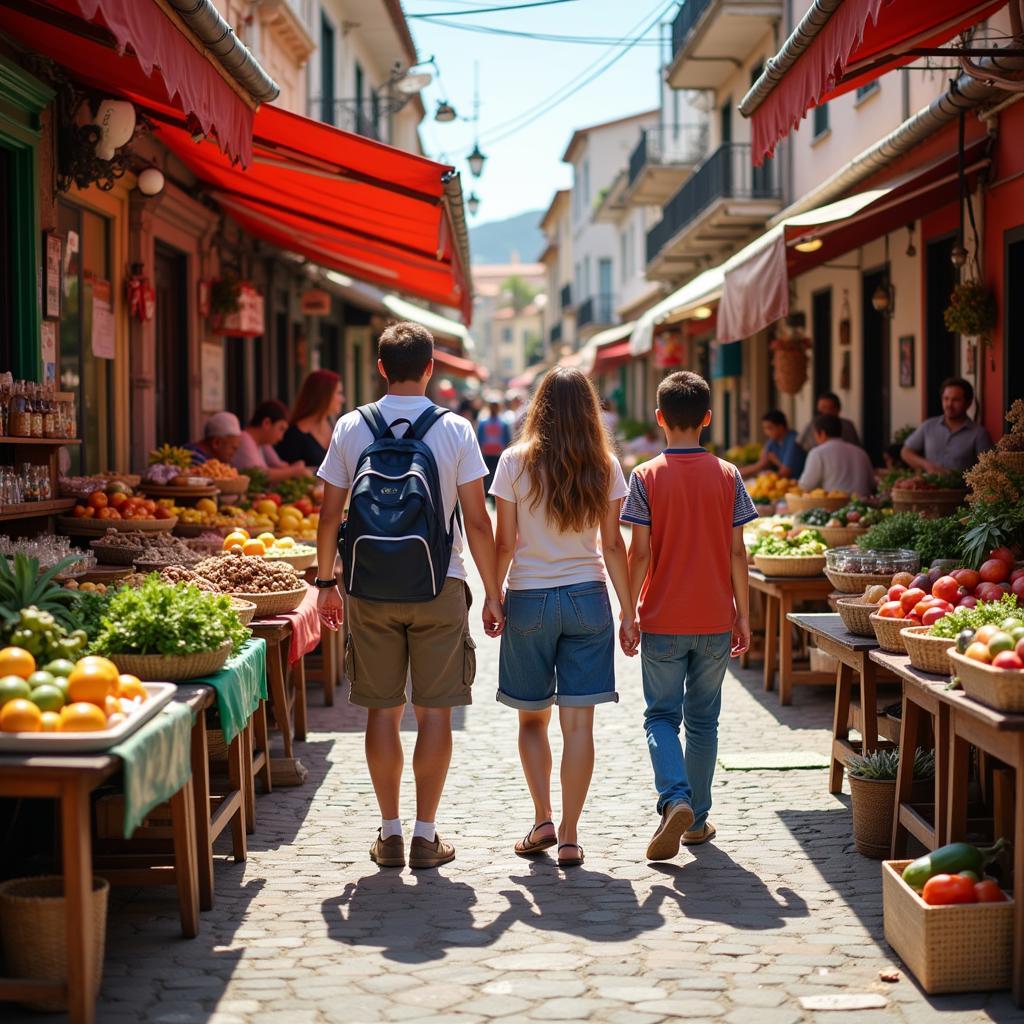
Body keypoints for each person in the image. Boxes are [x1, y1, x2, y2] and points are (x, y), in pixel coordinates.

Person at [314, 321, 504, 871]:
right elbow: (477, 520)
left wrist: (328, 584)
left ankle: (389, 833)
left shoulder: (352, 425)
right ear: (430, 368)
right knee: (435, 711)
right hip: (440, 582)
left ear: (379, 368)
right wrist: (493, 593)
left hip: (370, 586)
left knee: (381, 709)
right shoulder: (455, 430)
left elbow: (330, 515)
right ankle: (426, 835)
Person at [491, 368, 637, 869]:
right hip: (588, 599)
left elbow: (505, 542)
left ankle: (543, 819)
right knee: (579, 727)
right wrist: (629, 610)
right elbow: (614, 544)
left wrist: (492, 595)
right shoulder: (605, 464)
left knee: (532, 719)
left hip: (529, 599)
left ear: (540, 407)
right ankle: (571, 836)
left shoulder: (513, 462)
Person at [622, 371, 757, 859]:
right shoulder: (729, 475)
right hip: (715, 618)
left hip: (661, 618)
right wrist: (743, 613)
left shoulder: (644, 476)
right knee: (704, 723)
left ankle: (674, 798)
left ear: (659, 419)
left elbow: (639, 554)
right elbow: (738, 552)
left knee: (661, 716)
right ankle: (696, 821)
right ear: (707, 418)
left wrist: (628, 611)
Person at [900, 377, 993, 472]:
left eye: (955, 400)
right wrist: (926, 465)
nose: (949, 404)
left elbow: (988, 469)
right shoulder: (928, 426)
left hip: (961, 486)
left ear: (968, 403)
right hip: (929, 485)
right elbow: (906, 452)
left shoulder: (979, 434)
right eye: (946, 399)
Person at [276, 370, 344, 468]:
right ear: (323, 395)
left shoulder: (333, 426)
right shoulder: (293, 436)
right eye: (339, 393)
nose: (342, 399)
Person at [797, 414, 876, 497]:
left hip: (835, 507)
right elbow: (872, 485)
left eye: (815, 434)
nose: (815, 438)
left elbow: (805, 486)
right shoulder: (861, 452)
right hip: (863, 506)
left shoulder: (817, 453)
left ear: (822, 433)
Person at [233, 400, 311, 482]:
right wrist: (294, 471)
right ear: (266, 423)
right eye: (281, 429)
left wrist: (295, 468)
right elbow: (259, 475)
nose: (281, 437)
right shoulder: (244, 439)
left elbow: (279, 465)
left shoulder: (262, 443)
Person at [739, 410, 806, 480]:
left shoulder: (793, 441)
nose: (766, 432)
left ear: (780, 427)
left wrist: (775, 461)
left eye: (769, 428)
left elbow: (785, 472)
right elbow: (761, 463)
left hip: (795, 483)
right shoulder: (773, 440)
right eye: (765, 429)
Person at [476, 398, 512, 498]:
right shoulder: (485, 422)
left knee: (496, 475)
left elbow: (507, 439)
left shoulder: (503, 423)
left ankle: (493, 495)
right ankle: (488, 494)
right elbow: (479, 438)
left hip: (497, 454)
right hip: (488, 453)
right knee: (488, 474)